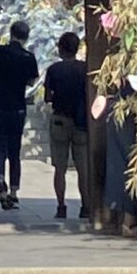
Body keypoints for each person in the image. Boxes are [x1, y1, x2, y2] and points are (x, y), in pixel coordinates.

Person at [0, 21, 41, 210]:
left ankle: (0, 183)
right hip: (17, 106)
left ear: (11, 33)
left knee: (0, 148)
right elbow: (32, 80)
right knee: (14, 151)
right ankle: (14, 192)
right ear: (26, 36)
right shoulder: (27, 57)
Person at [42, 30, 90, 220]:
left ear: (61, 49)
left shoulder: (54, 70)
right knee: (83, 168)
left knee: (59, 168)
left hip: (60, 119)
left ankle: (61, 206)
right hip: (81, 121)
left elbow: (47, 97)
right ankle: (86, 206)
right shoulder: (85, 69)